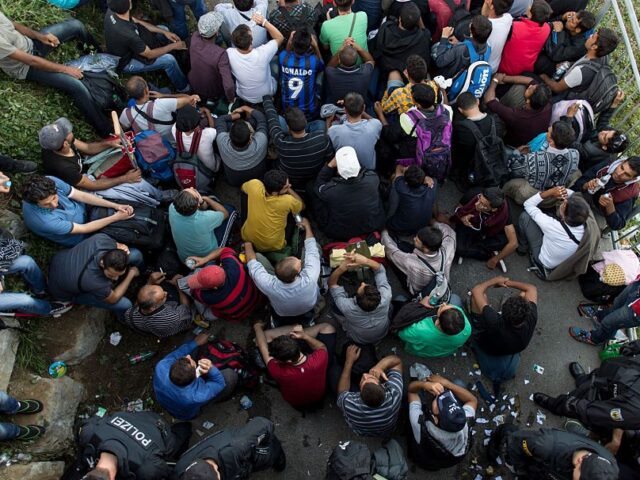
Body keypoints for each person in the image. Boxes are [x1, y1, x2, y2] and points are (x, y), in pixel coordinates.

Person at [0, 11, 111, 136]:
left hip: (31, 44)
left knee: (76, 25)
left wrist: (39, 36)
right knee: (76, 86)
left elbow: (13, 25)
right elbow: (31, 61)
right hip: (25, 67)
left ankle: (100, 56)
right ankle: (107, 132)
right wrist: (66, 69)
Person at [534, 341, 640, 432]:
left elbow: (594, 412)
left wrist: (575, 406)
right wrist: (634, 346)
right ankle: (582, 379)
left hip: (605, 398)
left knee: (576, 406)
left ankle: (554, 405)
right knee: (593, 377)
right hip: (615, 370)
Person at [21, 175, 134, 247]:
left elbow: (80, 195)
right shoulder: (44, 221)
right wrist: (116, 217)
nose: (54, 205)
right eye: (46, 204)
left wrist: (115, 206)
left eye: (54, 198)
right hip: (81, 237)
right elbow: (84, 229)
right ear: (35, 203)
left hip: (82, 210)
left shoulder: (51, 181)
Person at [73, 410, 191, 480]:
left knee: (177, 441)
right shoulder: (89, 434)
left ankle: (186, 427)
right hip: (138, 415)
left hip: (160, 429)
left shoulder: (145, 468)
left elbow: (166, 471)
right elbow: (86, 423)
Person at [245, 218, 320, 326]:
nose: (300, 260)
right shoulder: (310, 278)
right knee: (315, 248)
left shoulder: (268, 284)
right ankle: (308, 320)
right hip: (307, 309)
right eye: (299, 262)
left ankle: (276, 321)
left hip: (281, 313)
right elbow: (312, 250)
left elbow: (252, 263)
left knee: (256, 257)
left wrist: (247, 242)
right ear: (299, 272)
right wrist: (307, 226)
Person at [48, 234, 144, 316]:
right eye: (111, 275)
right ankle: (123, 319)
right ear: (102, 263)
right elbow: (113, 299)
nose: (115, 278)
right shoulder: (94, 282)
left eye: (119, 274)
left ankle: (144, 274)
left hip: (61, 260)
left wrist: (122, 246)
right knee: (125, 304)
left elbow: (119, 245)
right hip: (62, 290)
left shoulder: (101, 239)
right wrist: (130, 274)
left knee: (136, 254)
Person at [104, 0, 189, 92]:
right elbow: (149, 54)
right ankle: (183, 87)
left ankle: (173, 53)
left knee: (164, 28)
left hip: (128, 45)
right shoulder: (128, 34)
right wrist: (174, 46)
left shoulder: (113, 10)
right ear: (128, 5)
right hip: (126, 62)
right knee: (169, 60)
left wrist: (165, 32)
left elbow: (137, 22)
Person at [39, 117, 143, 192]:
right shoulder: (65, 168)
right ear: (65, 144)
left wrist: (109, 144)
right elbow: (92, 185)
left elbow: (87, 148)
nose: (71, 131)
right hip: (81, 185)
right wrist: (125, 178)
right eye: (67, 132)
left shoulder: (58, 144)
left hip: (84, 169)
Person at [470, 276, 537, 391]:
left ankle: (474, 320)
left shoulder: (494, 321)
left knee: (480, 297)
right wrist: (509, 283)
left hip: (486, 344)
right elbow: (531, 288)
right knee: (523, 295)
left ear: (501, 314)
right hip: (512, 347)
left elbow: (476, 290)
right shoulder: (531, 316)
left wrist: (495, 281)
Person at [153, 333, 237, 420]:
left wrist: (195, 343)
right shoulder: (197, 396)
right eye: (192, 362)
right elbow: (220, 383)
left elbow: (176, 354)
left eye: (186, 358)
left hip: (166, 400)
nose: (188, 356)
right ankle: (219, 399)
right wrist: (211, 368)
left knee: (190, 338)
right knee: (230, 376)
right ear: (196, 375)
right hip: (184, 414)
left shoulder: (161, 366)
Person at [488, 425, 619, 479]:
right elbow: (517, 447)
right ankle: (497, 438)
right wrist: (519, 469)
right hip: (536, 452)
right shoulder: (545, 444)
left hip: (549, 469)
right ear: (580, 460)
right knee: (510, 439)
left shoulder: (611, 467)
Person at [173, 417, 286, 479]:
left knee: (270, 455)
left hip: (248, 453)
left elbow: (264, 424)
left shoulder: (236, 446)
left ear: (214, 467)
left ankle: (277, 457)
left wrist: (265, 442)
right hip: (237, 469)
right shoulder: (179, 469)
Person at [254, 322, 336, 407]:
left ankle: (293, 326)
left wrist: (257, 327)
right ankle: (299, 329)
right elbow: (321, 346)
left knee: (265, 336)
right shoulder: (320, 358)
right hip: (319, 396)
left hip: (297, 403)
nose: (275, 361)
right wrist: (304, 336)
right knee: (327, 327)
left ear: (288, 361)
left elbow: (263, 346)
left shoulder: (278, 371)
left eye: (277, 359)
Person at [311, 147, 385, 240]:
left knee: (311, 188)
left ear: (338, 170)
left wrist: (329, 166)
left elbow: (318, 185)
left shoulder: (331, 191)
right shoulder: (372, 178)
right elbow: (364, 171)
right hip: (372, 224)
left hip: (341, 233)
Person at [263, 95, 335, 192]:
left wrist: (267, 99)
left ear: (288, 128)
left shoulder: (281, 142)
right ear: (305, 121)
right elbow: (331, 158)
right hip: (314, 177)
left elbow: (272, 120)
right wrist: (328, 123)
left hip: (292, 180)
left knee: (278, 119)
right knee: (320, 124)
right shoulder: (322, 138)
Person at [407, 375, 478, 470]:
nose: (440, 395)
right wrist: (446, 383)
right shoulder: (464, 422)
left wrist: (424, 384)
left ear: (435, 419)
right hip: (446, 461)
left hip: (423, 457)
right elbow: (472, 400)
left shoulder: (421, 426)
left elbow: (411, 390)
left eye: (438, 403)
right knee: (458, 384)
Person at [503, 121, 579, 205]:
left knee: (508, 185)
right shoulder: (575, 154)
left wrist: (517, 152)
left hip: (533, 195)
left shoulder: (535, 158)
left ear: (551, 142)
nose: (549, 128)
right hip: (553, 197)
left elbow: (513, 169)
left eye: (550, 131)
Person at [517, 186, 590, 271]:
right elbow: (574, 195)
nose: (564, 201)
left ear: (563, 215)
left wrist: (550, 192)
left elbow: (528, 204)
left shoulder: (552, 225)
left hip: (543, 260)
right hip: (557, 260)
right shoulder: (584, 220)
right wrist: (562, 190)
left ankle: (522, 248)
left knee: (525, 216)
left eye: (564, 204)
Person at [337, 348, 403, 437]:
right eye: (370, 378)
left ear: (358, 394)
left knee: (335, 374)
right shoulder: (394, 394)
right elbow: (397, 361)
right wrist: (379, 367)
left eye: (363, 381)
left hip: (361, 432)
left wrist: (349, 361)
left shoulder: (349, 403)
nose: (365, 375)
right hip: (387, 430)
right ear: (383, 385)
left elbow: (342, 392)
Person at [329, 253, 392, 345]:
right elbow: (380, 270)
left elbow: (332, 284)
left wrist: (341, 268)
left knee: (334, 304)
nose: (362, 283)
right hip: (383, 333)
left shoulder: (346, 306)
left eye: (362, 286)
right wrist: (366, 261)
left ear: (355, 299)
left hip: (359, 339)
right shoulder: (386, 296)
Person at [177, 253, 262, 321]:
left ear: (214, 287)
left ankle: (179, 282)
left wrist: (179, 284)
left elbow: (193, 291)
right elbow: (225, 250)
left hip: (238, 315)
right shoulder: (233, 266)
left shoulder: (209, 297)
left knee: (207, 315)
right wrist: (205, 259)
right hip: (256, 298)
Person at [540, 28, 619, 100]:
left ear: (594, 47)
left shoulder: (580, 72)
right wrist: (569, 64)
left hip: (563, 97)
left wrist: (544, 77)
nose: (590, 36)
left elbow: (556, 88)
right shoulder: (602, 56)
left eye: (592, 37)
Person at [381, 223, 456, 297]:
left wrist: (384, 232)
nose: (414, 239)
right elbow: (449, 231)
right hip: (440, 285)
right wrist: (434, 227)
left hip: (418, 291)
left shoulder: (411, 262)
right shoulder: (448, 248)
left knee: (395, 258)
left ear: (426, 249)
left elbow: (391, 251)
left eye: (417, 241)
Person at [450, 187, 517, 269]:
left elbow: (514, 243)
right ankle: (485, 252)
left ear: (493, 209)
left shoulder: (503, 211)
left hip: (489, 230)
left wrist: (495, 260)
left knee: (504, 240)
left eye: (483, 205)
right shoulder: (473, 194)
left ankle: (482, 250)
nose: (476, 204)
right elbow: (457, 209)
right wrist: (463, 218)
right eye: (479, 199)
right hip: (470, 224)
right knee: (459, 249)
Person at [241, 171, 304, 258]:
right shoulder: (287, 200)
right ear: (275, 193)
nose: (290, 186)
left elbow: (243, 188)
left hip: (248, 237)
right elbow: (301, 205)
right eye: (286, 187)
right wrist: (289, 190)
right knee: (293, 214)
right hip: (274, 245)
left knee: (245, 195)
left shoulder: (254, 184)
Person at [119, 76, 200, 141]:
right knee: (166, 90)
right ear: (146, 91)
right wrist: (163, 95)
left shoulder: (126, 114)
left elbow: (122, 128)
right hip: (172, 140)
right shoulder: (161, 103)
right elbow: (190, 98)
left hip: (152, 145)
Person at [226, 16, 284, 105]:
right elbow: (280, 37)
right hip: (267, 94)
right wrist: (264, 22)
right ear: (251, 41)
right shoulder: (263, 53)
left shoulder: (229, 53)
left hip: (244, 95)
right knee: (276, 60)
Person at [574, 156, 640, 231]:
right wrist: (586, 185)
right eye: (621, 168)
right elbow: (579, 182)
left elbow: (617, 225)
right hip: (586, 195)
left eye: (627, 174)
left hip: (597, 213)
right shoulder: (607, 165)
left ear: (633, 179)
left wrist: (610, 207)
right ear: (621, 162)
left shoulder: (630, 192)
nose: (619, 173)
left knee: (588, 230)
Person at [485, 74, 552, 147]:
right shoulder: (545, 101)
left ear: (528, 101)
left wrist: (495, 81)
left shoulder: (518, 116)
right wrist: (504, 78)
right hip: (526, 123)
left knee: (489, 107)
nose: (530, 86)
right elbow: (530, 80)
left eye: (530, 89)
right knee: (520, 86)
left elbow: (489, 101)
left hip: (510, 141)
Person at [569, 279, 640, 346]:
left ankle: (594, 339)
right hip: (637, 286)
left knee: (610, 323)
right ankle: (598, 318)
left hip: (637, 311)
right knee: (616, 304)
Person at [451, 92, 505, 179]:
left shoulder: (461, 128)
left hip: (473, 165)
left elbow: (458, 151)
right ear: (478, 101)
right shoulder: (496, 120)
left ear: (460, 110)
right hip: (494, 161)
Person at [123, 271, 192, 338]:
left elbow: (136, 305)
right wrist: (178, 286)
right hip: (175, 324)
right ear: (153, 307)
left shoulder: (129, 313)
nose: (166, 293)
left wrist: (150, 281)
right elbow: (186, 308)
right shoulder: (171, 316)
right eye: (163, 296)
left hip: (151, 330)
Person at [169, 188, 230, 263]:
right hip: (208, 258)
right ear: (197, 204)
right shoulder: (205, 218)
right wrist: (207, 199)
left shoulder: (172, 208)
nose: (192, 188)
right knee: (229, 209)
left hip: (185, 259)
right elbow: (225, 214)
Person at [369, 3, 431, 78]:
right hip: (408, 76)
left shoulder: (386, 28)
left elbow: (375, 49)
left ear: (399, 18)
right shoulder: (423, 36)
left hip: (386, 71)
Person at [188, 12, 236, 107]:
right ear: (217, 32)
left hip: (194, 81)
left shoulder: (194, 37)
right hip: (212, 90)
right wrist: (231, 99)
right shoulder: (220, 54)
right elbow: (229, 86)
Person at [215, 105, 269, 187]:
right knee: (254, 121)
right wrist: (245, 108)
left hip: (234, 182)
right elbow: (261, 119)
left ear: (229, 136)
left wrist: (238, 115)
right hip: (258, 180)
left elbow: (220, 120)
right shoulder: (261, 141)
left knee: (228, 123)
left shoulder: (222, 142)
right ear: (250, 137)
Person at [395, 301, 471, 357]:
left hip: (421, 351)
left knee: (400, 299)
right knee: (455, 299)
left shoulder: (420, 330)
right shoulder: (467, 329)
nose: (444, 303)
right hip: (441, 351)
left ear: (437, 322)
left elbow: (401, 334)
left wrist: (420, 304)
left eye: (441, 308)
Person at [279, 29, 324, 122]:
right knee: (321, 73)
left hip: (287, 109)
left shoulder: (283, 57)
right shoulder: (313, 61)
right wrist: (316, 46)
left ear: (292, 43)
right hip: (310, 111)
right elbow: (322, 65)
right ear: (309, 47)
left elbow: (287, 52)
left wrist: (290, 40)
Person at [328, 93, 382, 170]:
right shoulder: (374, 125)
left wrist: (328, 121)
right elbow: (373, 120)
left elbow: (327, 138)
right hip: (369, 171)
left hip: (345, 172)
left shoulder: (334, 130)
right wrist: (359, 108)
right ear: (364, 108)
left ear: (345, 110)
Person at [534, 9, 596, 77]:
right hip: (551, 49)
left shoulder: (579, 46)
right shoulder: (570, 25)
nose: (569, 19)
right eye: (572, 16)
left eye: (572, 21)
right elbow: (548, 24)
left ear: (578, 30)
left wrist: (557, 33)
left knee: (539, 61)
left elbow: (556, 56)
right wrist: (562, 17)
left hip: (555, 63)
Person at [498, 0, 552, 76]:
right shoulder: (547, 28)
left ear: (530, 15)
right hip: (526, 70)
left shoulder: (515, 27)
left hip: (504, 69)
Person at [431, 15, 492, 81]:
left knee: (434, 48)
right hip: (467, 80)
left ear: (471, 31)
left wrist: (444, 37)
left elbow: (440, 62)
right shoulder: (488, 49)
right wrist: (459, 43)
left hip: (449, 80)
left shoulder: (460, 49)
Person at [386, 165, 437, 236]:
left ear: (406, 183)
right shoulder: (432, 183)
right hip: (422, 226)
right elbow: (434, 203)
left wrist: (404, 169)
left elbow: (398, 167)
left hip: (401, 228)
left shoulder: (402, 188)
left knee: (394, 178)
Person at [324, 39, 375, 106]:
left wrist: (339, 50)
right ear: (357, 60)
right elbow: (371, 61)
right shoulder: (365, 72)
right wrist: (359, 49)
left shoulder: (331, 73)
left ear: (339, 60)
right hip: (358, 105)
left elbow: (329, 66)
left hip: (338, 105)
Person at [172, 104, 219, 173]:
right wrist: (207, 112)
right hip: (208, 169)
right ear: (197, 125)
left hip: (190, 166)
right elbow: (212, 127)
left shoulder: (174, 129)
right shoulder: (207, 133)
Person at [483, 0, 514, 72]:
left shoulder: (484, 28)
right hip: (495, 67)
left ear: (492, 6)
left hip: (480, 69)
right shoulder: (508, 18)